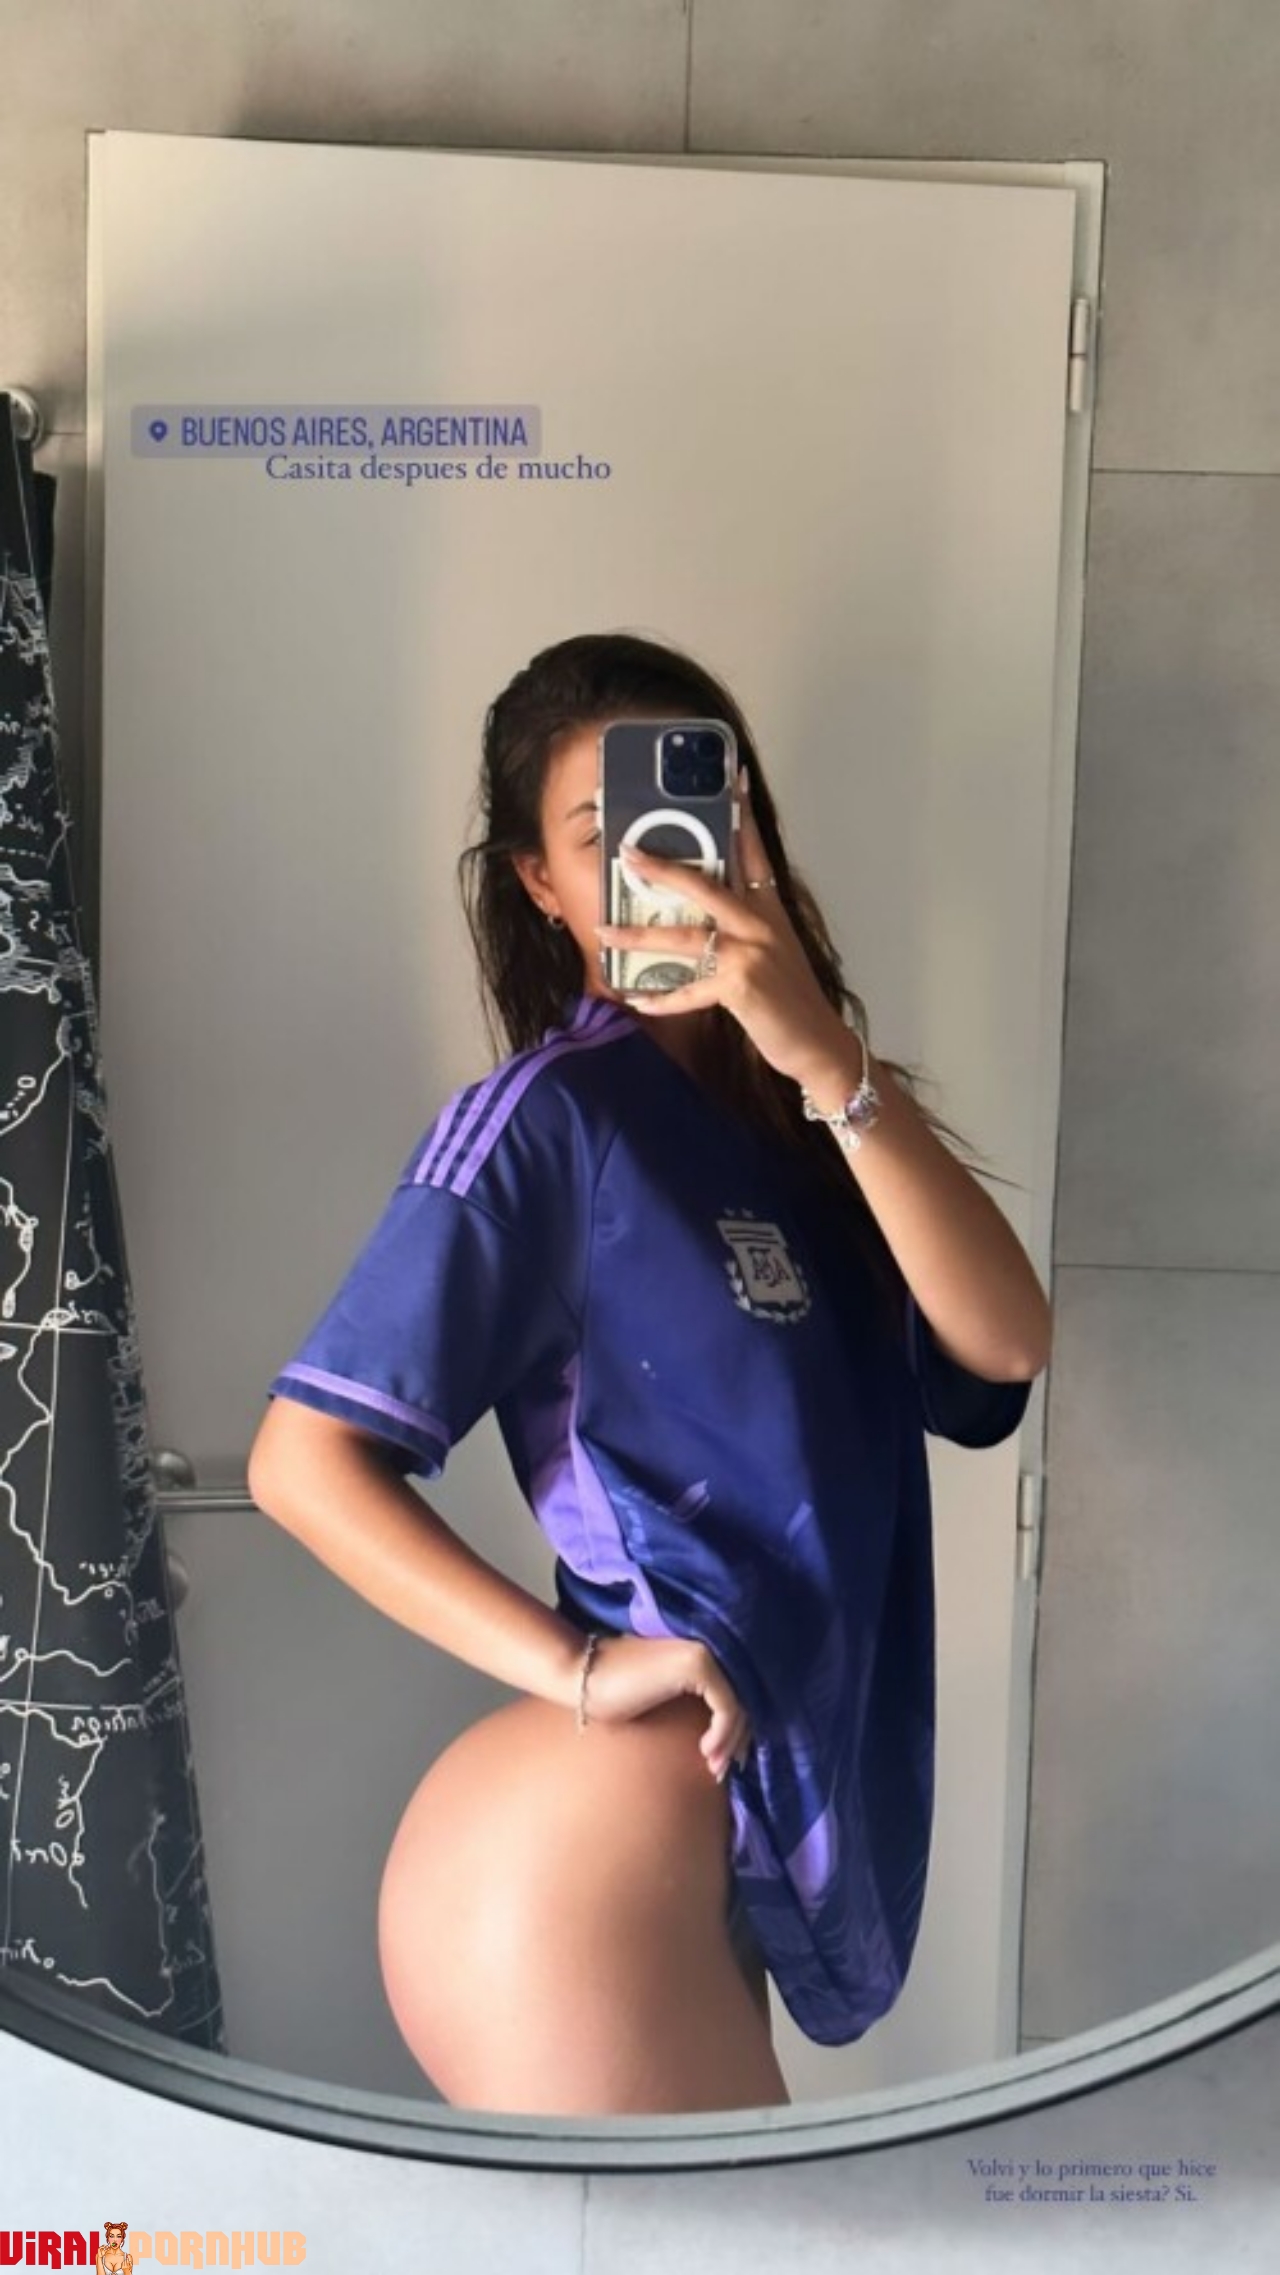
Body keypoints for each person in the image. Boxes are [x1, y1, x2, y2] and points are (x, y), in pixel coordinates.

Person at [247, 630, 1052, 2118]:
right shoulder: (547, 1125)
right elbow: (302, 1461)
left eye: (696, 822)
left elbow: (1005, 1346)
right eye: (605, 837)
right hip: (583, 1847)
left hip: (716, 1834)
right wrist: (579, 1668)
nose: (664, 867)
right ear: (541, 886)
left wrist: (830, 1066)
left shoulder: (820, 1127)